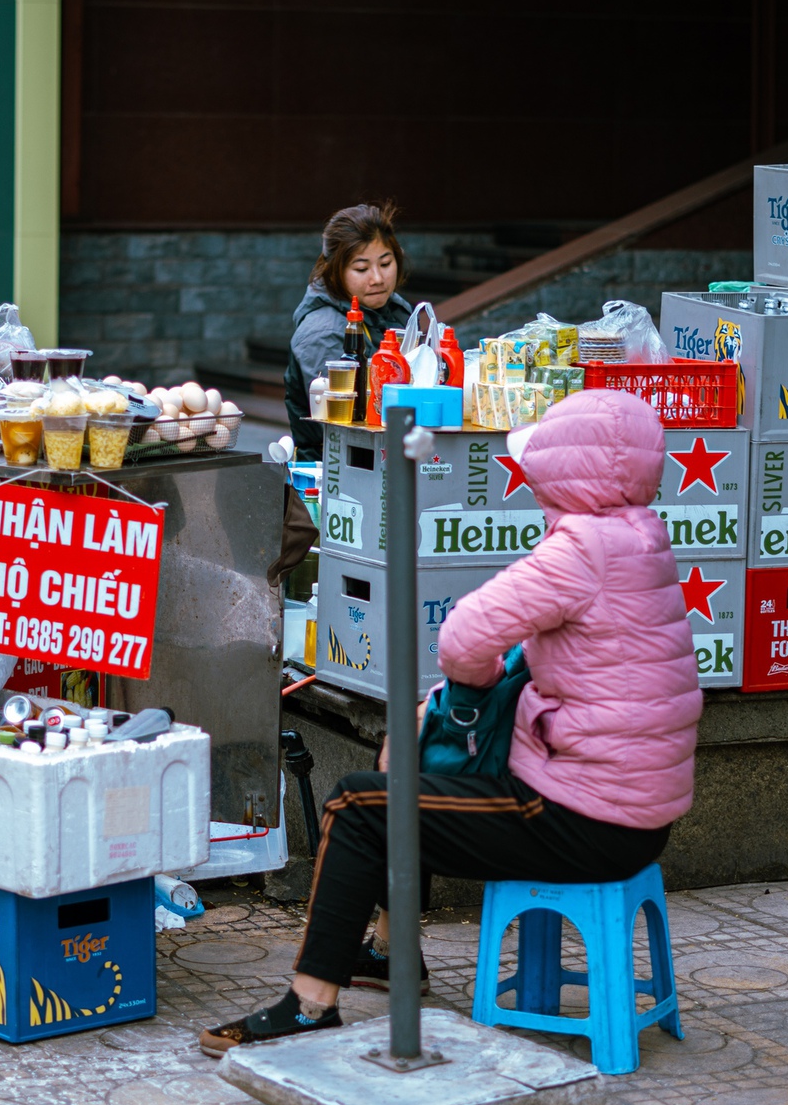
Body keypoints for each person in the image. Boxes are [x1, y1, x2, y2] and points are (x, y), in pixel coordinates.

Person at [201, 390, 703, 1055]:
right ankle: (385, 950)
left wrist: (474, 691)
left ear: (565, 473)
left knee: (358, 805)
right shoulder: (642, 535)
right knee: (408, 756)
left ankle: (310, 1002)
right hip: (637, 815)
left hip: (579, 815)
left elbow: (465, 638)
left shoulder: (583, 547)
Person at [281, 202, 414, 454]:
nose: (377, 278)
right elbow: (345, 427)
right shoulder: (323, 332)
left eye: (385, 263)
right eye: (361, 268)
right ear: (335, 271)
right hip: (338, 468)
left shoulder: (396, 309)